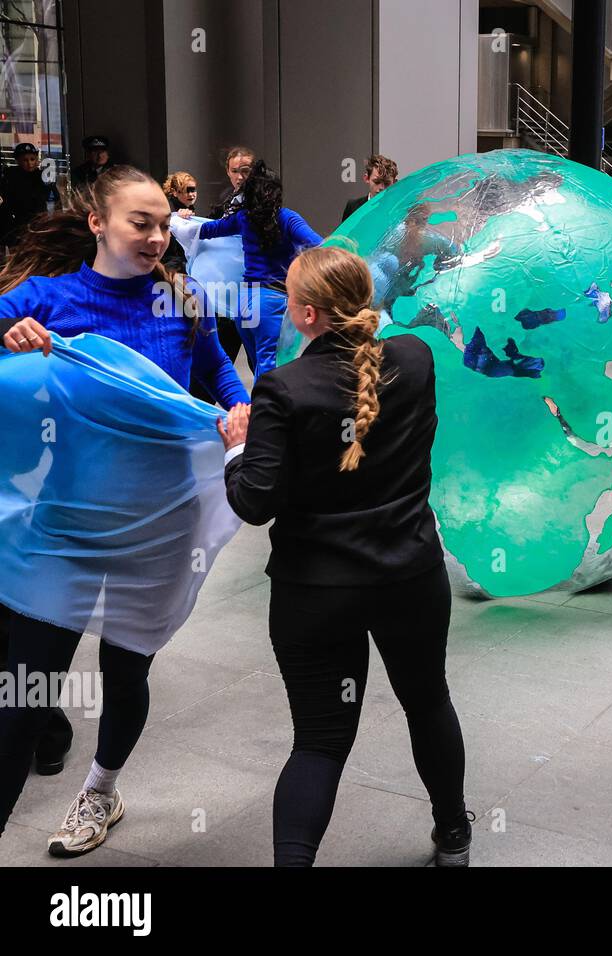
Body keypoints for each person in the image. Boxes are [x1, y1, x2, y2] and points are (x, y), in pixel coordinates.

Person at [0, 165, 248, 854]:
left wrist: (238, 404)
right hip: (67, 522)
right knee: (24, 693)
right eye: (142, 222)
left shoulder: (182, 298)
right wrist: (8, 338)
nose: (157, 236)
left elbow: (217, 369)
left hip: (159, 521)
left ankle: (100, 793)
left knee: (126, 668)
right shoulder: (45, 297)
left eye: (165, 224)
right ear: (97, 224)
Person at [218, 245, 470, 866]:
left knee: (320, 742)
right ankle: (454, 834)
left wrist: (236, 448)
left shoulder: (283, 388)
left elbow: (255, 502)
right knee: (427, 700)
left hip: (315, 588)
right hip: (408, 572)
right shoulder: (415, 359)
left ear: (305, 315)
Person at [197, 160, 323, 379]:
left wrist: (179, 219)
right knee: (270, 371)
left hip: (244, 302)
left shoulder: (244, 218)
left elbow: (207, 230)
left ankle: (259, 410)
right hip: (271, 301)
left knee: (259, 366)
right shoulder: (286, 218)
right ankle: (264, 413)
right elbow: (319, 246)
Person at [1, 143, 55, 251]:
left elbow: (52, 199)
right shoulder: (10, 177)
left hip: (38, 226)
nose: (29, 164)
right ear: (18, 161)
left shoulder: (43, 177)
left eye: (32, 159)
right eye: (25, 160)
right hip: (16, 227)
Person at [340, 154, 398, 226]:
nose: (381, 187)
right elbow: (342, 236)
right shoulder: (353, 207)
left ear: (394, 183)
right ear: (366, 178)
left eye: (386, 183)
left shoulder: (399, 210)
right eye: (377, 182)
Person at [160, 171, 199, 273]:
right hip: (171, 265)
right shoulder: (168, 209)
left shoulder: (188, 208)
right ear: (175, 192)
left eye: (193, 190)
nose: (191, 194)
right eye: (186, 191)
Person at [210, 146, 255, 219]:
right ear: (228, 172)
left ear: (254, 171)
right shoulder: (224, 197)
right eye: (234, 171)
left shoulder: (262, 200)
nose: (240, 177)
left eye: (245, 171)